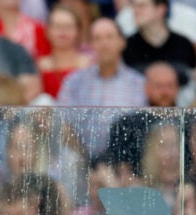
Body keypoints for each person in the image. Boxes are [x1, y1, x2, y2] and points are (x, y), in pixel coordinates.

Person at [56, 17, 146, 157]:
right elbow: (63, 124)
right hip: (81, 160)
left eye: (110, 37)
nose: (104, 44)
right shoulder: (74, 82)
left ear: (122, 42)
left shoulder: (139, 83)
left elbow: (144, 128)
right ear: (90, 45)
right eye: (97, 39)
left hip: (127, 161)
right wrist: (86, 161)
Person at [122, 0, 196, 86]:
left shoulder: (183, 44)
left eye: (142, 6)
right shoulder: (126, 46)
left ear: (161, 9)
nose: (135, 11)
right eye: (134, 6)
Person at [37, 5, 92, 98]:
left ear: (78, 31)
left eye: (69, 26)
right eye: (57, 26)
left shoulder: (90, 65)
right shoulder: (39, 66)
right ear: (47, 31)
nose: (63, 31)